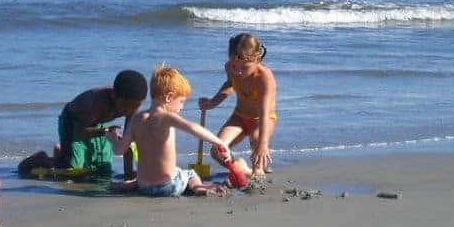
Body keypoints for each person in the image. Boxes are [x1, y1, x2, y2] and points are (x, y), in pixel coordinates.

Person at [105, 65, 230, 197]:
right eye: (181, 101)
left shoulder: (136, 119)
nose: (182, 107)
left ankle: (131, 184)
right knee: (189, 173)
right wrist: (219, 143)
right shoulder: (166, 118)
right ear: (169, 97)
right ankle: (198, 188)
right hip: (167, 187)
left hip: (144, 187)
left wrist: (112, 138)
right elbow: (193, 128)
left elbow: (118, 150)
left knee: (146, 174)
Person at [18, 70, 147, 179]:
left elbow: (127, 143)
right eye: (125, 106)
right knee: (70, 173)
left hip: (98, 124)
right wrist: (105, 133)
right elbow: (79, 133)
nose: (129, 110)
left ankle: (62, 153)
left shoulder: (132, 105)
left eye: (135, 106)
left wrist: (128, 174)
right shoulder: (97, 103)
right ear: (114, 95)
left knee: (102, 171)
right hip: (73, 123)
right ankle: (43, 159)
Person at [199, 33, 277, 177]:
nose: (238, 71)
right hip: (239, 117)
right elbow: (229, 85)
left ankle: (258, 170)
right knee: (217, 150)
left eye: (245, 67)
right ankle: (240, 167)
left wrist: (263, 144)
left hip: (262, 120)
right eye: (234, 65)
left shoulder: (265, 78)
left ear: (257, 60)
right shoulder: (230, 67)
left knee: (256, 139)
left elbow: (265, 113)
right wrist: (212, 103)